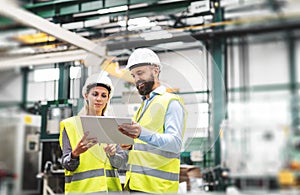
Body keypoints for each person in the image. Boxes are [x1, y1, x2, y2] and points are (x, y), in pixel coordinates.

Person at [118, 48, 186, 193]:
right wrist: (130, 146)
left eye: (140, 73)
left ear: (155, 71)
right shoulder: (142, 107)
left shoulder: (171, 101)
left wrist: (141, 133)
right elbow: (144, 144)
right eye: (134, 75)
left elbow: (175, 144)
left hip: (158, 188)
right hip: (136, 185)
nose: (137, 80)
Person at [59, 72, 123, 194]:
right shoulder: (70, 125)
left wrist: (113, 156)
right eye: (95, 94)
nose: (99, 99)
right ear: (86, 95)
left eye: (104, 95)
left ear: (108, 99)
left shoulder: (113, 126)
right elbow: (67, 165)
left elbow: (120, 163)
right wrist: (75, 154)